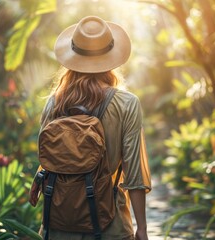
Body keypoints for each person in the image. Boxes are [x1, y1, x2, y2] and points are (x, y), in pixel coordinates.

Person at [37, 16, 152, 240]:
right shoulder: (126, 104)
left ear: (73, 56)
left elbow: (46, 161)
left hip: (58, 227)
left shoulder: (54, 103)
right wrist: (143, 229)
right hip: (110, 227)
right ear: (111, 57)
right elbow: (135, 173)